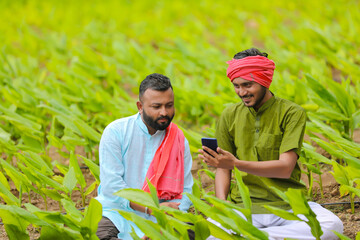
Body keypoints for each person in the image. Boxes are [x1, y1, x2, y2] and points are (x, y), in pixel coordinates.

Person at [199, 48, 343, 240]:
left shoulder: (291, 112)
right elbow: (223, 170)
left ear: (264, 80)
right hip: (245, 207)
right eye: (236, 86)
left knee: (332, 227)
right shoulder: (229, 115)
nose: (242, 92)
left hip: (288, 204)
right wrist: (222, 206)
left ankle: (252, 237)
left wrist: (235, 164)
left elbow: (285, 168)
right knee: (211, 233)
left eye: (248, 85)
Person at [96, 73, 194, 240]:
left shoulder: (178, 139)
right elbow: (112, 187)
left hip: (162, 217)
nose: (164, 112)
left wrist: (162, 225)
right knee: (99, 234)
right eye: (156, 107)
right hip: (118, 213)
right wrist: (150, 208)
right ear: (140, 106)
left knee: (192, 232)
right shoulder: (116, 132)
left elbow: (186, 190)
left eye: (169, 105)